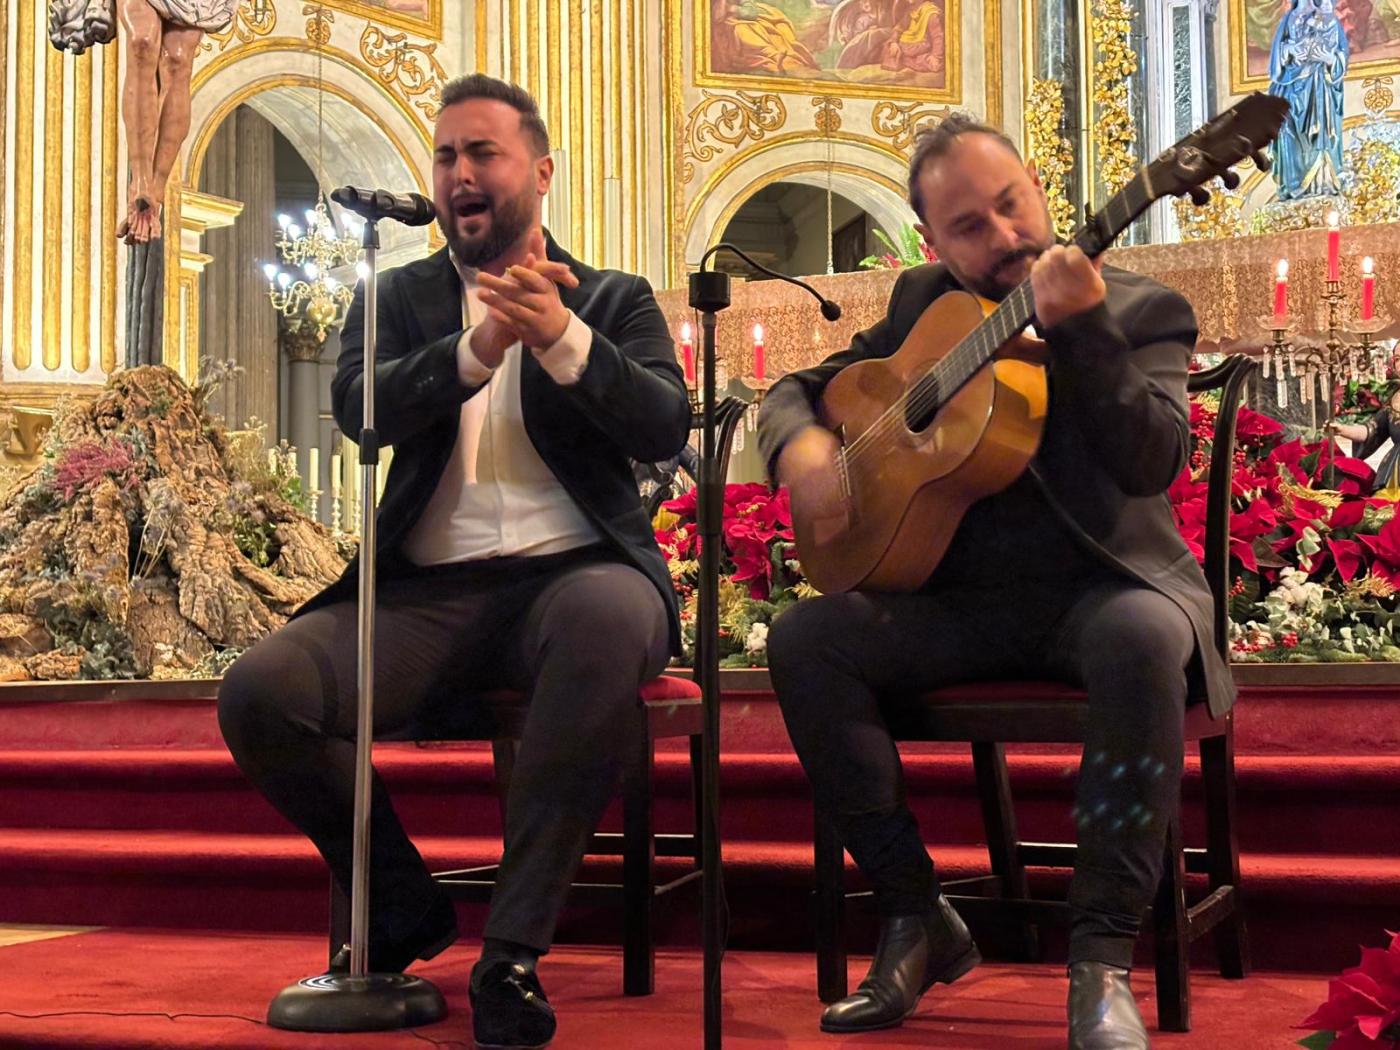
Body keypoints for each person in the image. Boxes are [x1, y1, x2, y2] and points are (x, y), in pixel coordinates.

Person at [217, 74, 690, 1050]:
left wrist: (562, 340)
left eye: (483, 153)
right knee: (260, 690)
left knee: (603, 621)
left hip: (580, 576)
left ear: (539, 171)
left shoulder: (611, 296)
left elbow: (660, 422)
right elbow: (360, 411)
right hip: (425, 592)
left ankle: (510, 956)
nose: (460, 174)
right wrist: (475, 348)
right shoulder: (393, 297)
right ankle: (398, 902)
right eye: (445, 157)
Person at [757, 112, 1233, 1050]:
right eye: (969, 226)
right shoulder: (923, 304)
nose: (1006, 237)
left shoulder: (1142, 308)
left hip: (1106, 592)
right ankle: (914, 914)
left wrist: (1084, 326)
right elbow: (801, 387)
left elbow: (1154, 462)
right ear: (932, 241)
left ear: (1041, 192)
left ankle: (1100, 961)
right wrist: (799, 439)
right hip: (959, 607)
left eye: (1012, 206)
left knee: (1140, 638)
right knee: (806, 638)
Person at [1269, 0, 1349, 200]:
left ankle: (1320, 186)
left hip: (1318, 89)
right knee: (1285, 130)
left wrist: (1330, 59)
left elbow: (1341, 55)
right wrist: (1289, 50)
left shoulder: (1329, 19)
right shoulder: (1288, 20)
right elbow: (1276, 62)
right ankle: (1293, 185)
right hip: (1289, 88)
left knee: (1318, 131)